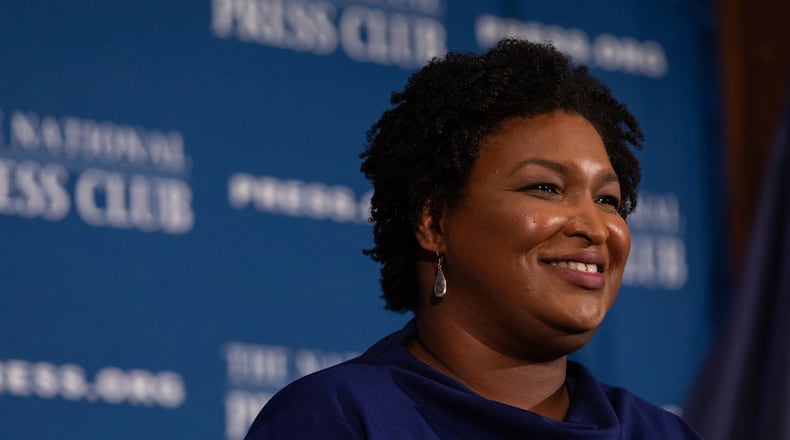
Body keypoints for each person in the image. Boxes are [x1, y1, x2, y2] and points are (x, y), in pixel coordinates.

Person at [244, 39, 700, 439]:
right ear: (434, 223)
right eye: (545, 188)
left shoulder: (659, 433)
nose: (595, 226)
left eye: (608, 200)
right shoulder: (335, 419)